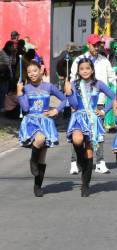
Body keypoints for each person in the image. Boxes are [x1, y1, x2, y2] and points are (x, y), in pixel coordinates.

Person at [65, 58, 115, 197]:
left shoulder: (98, 84)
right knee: (77, 139)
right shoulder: (74, 84)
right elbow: (74, 105)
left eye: (87, 68)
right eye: (82, 69)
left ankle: (85, 185)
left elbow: (114, 97)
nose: (85, 71)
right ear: (78, 71)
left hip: (93, 118)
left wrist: (104, 110)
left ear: (92, 69)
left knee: (89, 151)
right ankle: (80, 161)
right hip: (79, 117)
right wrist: (69, 93)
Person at [69, 34, 117, 174]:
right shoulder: (79, 60)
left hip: (98, 102)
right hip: (81, 104)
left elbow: (112, 79)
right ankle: (74, 161)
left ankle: (100, 161)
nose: (96, 47)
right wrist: (71, 101)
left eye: (98, 45)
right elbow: (72, 80)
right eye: (94, 45)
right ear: (88, 44)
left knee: (98, 133)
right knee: (77, 134)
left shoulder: (104, 61)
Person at [17, 60, 66, 197]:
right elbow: (26, 108)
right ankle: (32, 161)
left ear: (41, 70)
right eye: (29, 72)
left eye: (34, 71)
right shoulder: (25, 88)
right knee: (39, 139)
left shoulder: (49, 86)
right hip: (32, 121)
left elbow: (64, 99)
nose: (32, 74)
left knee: (42, 157)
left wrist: (56, 110)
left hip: (45, 122)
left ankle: (37, 185)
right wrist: (20, 94)